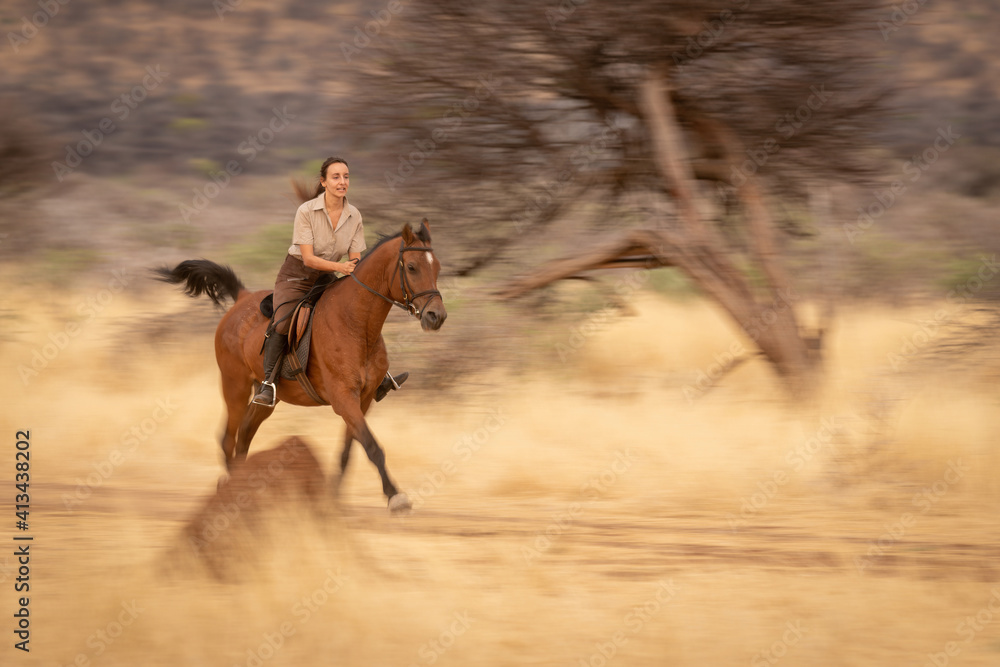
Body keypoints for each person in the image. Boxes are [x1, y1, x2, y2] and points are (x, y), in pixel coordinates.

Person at [252, 157, 408, 406]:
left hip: (326, 276)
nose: (342, 181)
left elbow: (355, 258)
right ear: (324, 182)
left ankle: (379, 377)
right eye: (336, 177)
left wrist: (355, 269)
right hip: (296, 275)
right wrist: (341, 267)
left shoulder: (354, 215)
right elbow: (308, 258)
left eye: (346, 176)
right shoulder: (306, 211)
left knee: (358, 314)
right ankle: (268, 384)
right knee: (282, 321)